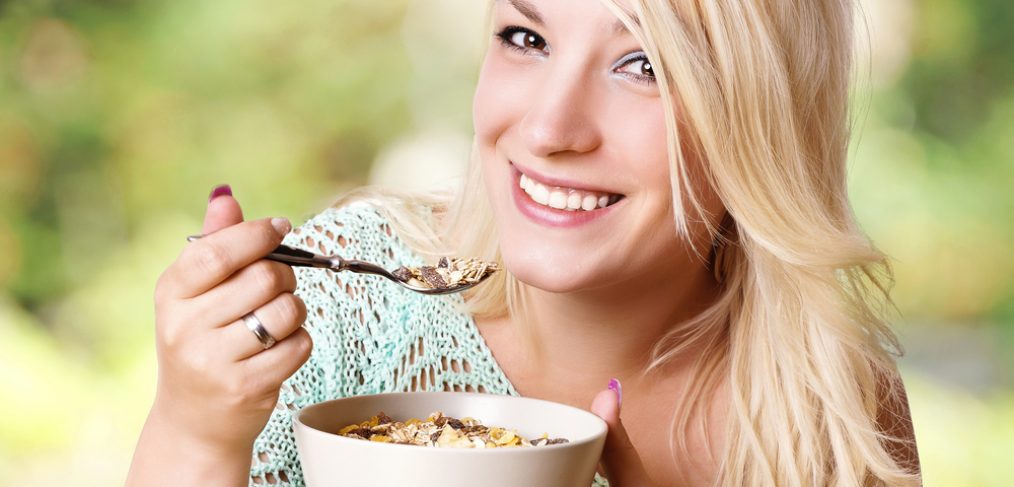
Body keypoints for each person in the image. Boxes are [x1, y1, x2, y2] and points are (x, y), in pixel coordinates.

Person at [126, 0, 922, 485]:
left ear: (760, 116)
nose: (546, 129)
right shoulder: (340, 308)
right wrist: (196, 426)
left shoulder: (830, 412)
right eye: (526, 38)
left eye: (641, 64)